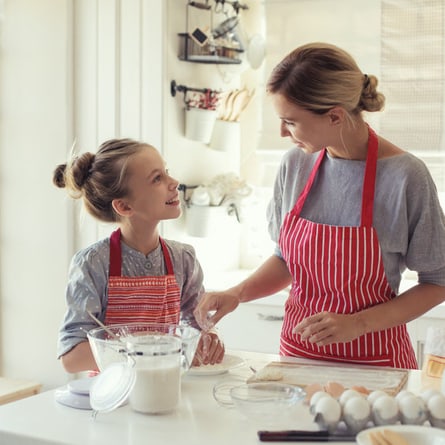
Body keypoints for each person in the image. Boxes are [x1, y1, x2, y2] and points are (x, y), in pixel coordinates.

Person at [194, 42, 445, 369]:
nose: (283, 132)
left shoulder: (405, 177)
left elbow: (437, 282)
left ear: (335, 116)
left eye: (291, 122)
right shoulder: (295, 165)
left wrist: (357, 324)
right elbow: (286, 261)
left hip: (376, 366)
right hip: (297, 359)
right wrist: (237, 293)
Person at [54, 138, 224, 373]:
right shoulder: (93, 264)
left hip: (168, 390)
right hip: (115, 398)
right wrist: (151, 354)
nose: (174, 182)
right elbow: (72, 356)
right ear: (124, 207)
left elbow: (196, 326)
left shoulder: (183, 259)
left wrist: (210, 336)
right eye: (157, 178)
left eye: (167, 172)